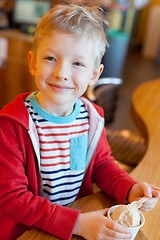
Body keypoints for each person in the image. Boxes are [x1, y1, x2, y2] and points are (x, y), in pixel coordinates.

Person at [0, 3, 159, 240]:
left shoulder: (92, 119)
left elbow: (101, 165)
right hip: (29, 232)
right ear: (33, 63)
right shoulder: (12, 125)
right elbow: (11, 199)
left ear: (94, 74)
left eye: (77, 63)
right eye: (51, 58)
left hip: (77, 224)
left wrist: (129, 188)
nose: (62, 73)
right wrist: (77, 223)